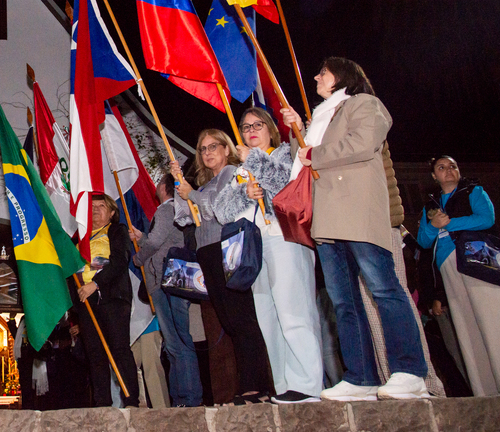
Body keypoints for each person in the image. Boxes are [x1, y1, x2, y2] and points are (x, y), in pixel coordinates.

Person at [284, 57, 428, 400]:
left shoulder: (364, 104)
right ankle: (361, 377)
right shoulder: (319, 117)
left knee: (384, 288)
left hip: (357, 211)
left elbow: (361, 143)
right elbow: (300, 161)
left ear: (342, 76)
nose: (316, 76)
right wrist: (297, 131)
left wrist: (313, 152)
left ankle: (410, 371)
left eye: (323, 72)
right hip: (327, 218)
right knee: (343, 301)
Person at [213, 108, 324, 404]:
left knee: (294, 312)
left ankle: (308, 384)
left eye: (257, 125)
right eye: (245, 126)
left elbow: (286, 187)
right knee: (268, 319)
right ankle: (285, 384)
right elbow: (221, 212)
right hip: (255, 249)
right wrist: (243, 194)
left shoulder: (287, 154)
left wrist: (256, 162)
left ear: (271, 129)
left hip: (285, 239)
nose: (251, 130)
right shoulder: (241, 169)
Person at [172, 130, 272, 404]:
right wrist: (180, 185)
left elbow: (216, 209)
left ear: (226, 149)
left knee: (241, 318)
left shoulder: (231, 174)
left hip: (226, 249)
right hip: (206, 254)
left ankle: (258, 384)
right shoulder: (206, 184)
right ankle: (248, 383)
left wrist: (191, 193)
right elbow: (183, 218)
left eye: (213, 146)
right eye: (203, 149)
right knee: (228, 321)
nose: (207, 153)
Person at [417, 155, 500, 396]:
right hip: (448, 267)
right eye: (441, 168)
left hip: (477, 259)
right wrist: (433, 226)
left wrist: (447, 224)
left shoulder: (472, 190)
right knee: (466, 328)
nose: (448, 171)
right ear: (434, 176)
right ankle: (485, 391)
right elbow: (423, 239)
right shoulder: (429, 205)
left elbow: (486, 218)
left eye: (453, 166)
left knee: (491, 318)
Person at [132, 173, 203, 407]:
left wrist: (138, 258)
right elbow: (160, 241)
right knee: (174, 343)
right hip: (175, 280)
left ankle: (188, 398)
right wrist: (142, 239)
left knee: (177, 341)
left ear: (163, 187)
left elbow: (155, 244)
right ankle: (181, 397)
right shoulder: (178, 209)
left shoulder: (166, 209)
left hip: (166, 281)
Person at [74, 193, 140, 408]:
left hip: (111, 296)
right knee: (95, 353)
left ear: (112, 212)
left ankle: (131, 400)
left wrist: (97, 283)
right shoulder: (80, 238)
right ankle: (102, 404)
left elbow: (120, 261)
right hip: (86, 300)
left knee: (119, 349)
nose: (95, 210)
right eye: (92, 206)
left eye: (101, 206)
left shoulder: (116, 230)